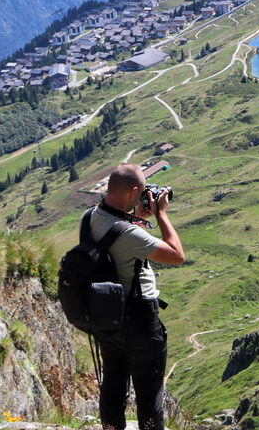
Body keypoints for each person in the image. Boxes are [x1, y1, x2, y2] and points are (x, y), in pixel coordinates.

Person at [89, 164, 186, 430]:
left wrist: (138, 215)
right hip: (140, 320)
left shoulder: (91, 217)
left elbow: (116, 233)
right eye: (141, 192)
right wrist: (161, 215)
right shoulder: (130, 233)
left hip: (108, 316)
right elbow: (177, 255)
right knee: (149, 391)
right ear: (134, 191)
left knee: (113, 384)